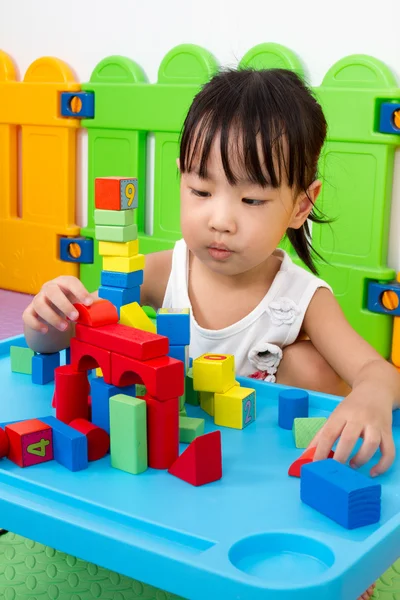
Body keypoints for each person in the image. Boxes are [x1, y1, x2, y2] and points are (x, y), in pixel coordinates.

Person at [23, 68, 398, 600]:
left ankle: (336, 543)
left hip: (263, 480)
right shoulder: (160, 272)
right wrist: (46, 320)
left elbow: (376, 371)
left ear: (300, 205)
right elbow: (70, 343)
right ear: (180, 179)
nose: (220, 219)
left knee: (315, 369)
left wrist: (372, 398)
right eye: (201, 190)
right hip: (168, 471)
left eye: (251, 201)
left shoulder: (301, 299)